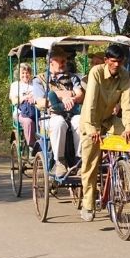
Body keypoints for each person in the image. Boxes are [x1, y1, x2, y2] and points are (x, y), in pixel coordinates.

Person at [78, 43, 130, 222]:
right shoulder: (96, 72)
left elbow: (126, 105)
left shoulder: (124, 75)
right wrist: (91, 129)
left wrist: (129, 127)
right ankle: (88, 203)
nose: (117, 65)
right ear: (106, 61)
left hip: (109, 120)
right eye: (113, 61)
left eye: (120, 61)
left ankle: (121, 174)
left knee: (128, 139)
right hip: (92, 121)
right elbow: (90, 103)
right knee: (90, 163)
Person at [33, 46, 84, 177]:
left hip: (72, 114)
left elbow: (80, 95)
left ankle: (79, 160)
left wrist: (69, 97)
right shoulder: (39, 80)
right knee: (58, 123)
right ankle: (59, 162)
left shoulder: (72, 78)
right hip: (49, 117)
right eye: (61, 61)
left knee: (80, 121)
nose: (64, 64)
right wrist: (63, 96)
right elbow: (40, 102)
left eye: (65, 61)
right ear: (51, 61)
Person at [9, 62, 37, 149]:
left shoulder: (35, 83)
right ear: (19, 74)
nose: (25, 75)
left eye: (27, 72)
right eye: (23, 73)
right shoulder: (15, 85)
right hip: (21, 112)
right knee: (28, 122)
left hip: (36, 110)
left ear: (30, 73)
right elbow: (14, 101)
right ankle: (31, 146)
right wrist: (25, 97)